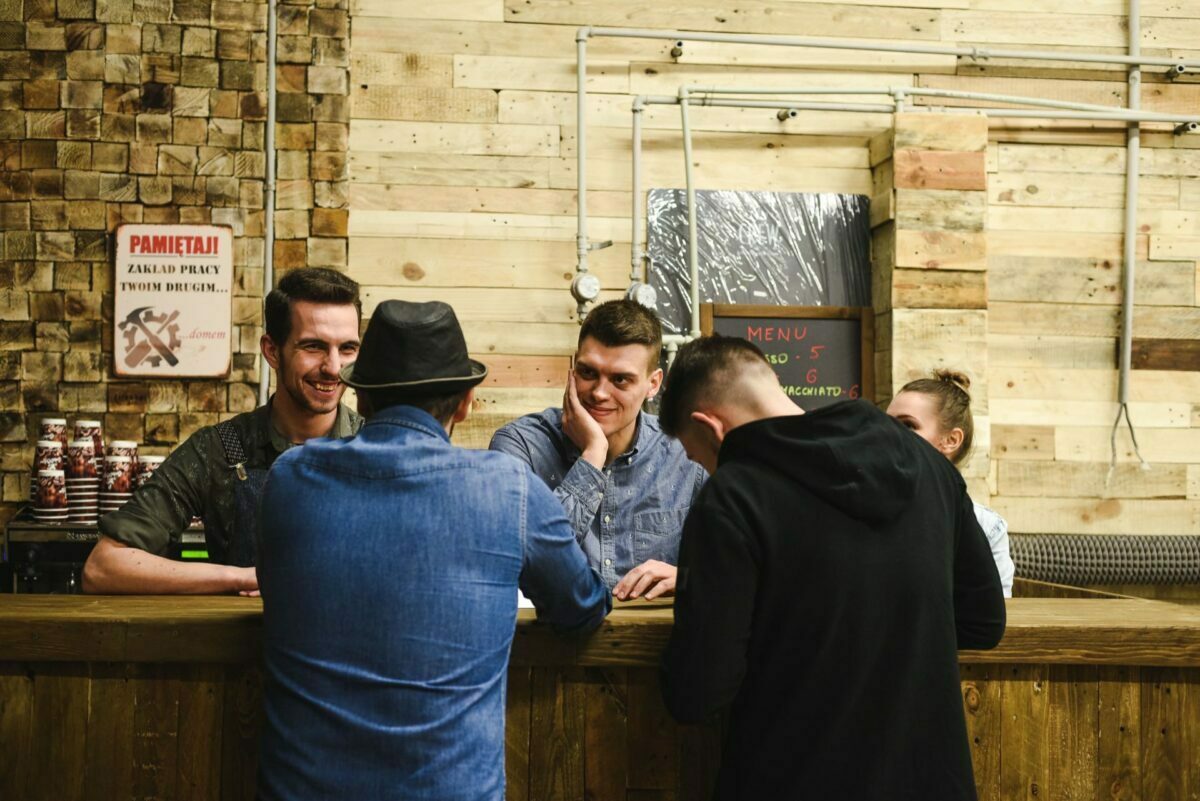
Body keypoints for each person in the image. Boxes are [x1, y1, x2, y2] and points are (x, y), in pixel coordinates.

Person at [255, 299, 609, 801]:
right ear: (466, 402)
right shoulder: (510, 488)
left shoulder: (289, 478)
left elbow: (275, 589)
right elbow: (582, 609)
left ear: (361, 397)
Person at [657, 336, 1006, 801]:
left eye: (694, 453)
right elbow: (983, 622)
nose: (702, 466)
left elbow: (698, 693)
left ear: (710, 426)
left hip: (792, 778)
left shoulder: (733, 496)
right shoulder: (930, 467)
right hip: (931, 781)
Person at [82, 267, 364, 595]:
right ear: (272, 351)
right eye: (314, 347)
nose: (333, 368)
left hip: (347, 644)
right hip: (244, 643)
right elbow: (102, 567)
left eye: (347, 349)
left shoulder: (377, 445)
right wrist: (242, 577)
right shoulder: (222, 447)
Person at [490, 299, 706, 601]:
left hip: (655, 644)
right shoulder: (521, 445)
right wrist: (593, 454)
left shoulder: (688, 453)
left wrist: (689, 578)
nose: (600, 393)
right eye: (588, 373)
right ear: (573, 369)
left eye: (620, 379)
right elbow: (517, 559)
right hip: (548, 645)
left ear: (653, 384)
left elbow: (740, 562)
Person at [887, 369, 1015, 597]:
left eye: (908, 425)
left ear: (951, 440)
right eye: (885, 424)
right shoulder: (866, 505)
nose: (888, 434)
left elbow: (993, 616)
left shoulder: (987, 527)